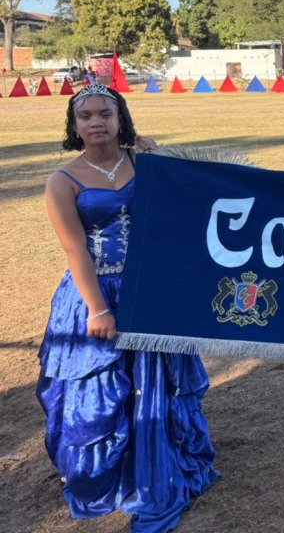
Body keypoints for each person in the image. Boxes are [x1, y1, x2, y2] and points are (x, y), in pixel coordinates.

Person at [38, 83, 218, 533]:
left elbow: (183, 201)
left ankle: (158, 460)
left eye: (105, 114)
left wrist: (158, 154)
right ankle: (109, 475)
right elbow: (75, 250)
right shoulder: (62, 181)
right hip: (94, 293)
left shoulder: (144, 163)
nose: (96, 122)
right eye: (86, 116)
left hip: (147, 289)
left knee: (154, 379)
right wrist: (97, 309)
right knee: (105, 388)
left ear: (122, 120)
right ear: (73, 125)